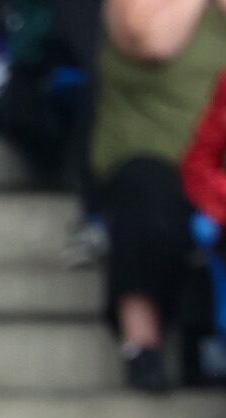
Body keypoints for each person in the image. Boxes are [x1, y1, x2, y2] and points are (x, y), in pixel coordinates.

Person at [87, 0, 226, 392]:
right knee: (148, 197)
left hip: (216, 161)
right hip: (153, 150)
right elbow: (151, 41)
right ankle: (142, 344)